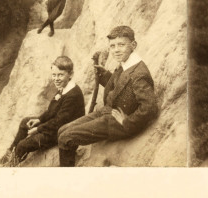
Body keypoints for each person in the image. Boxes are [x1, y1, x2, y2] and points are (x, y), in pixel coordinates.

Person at [56, 25, 159, 167]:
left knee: (65, 138)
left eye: (121, 45)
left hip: (117, 123)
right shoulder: (126, 63)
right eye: (112, 46)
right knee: (62, 130)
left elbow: (150, 107)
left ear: (133, 45)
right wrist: (105, 76)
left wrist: (127, 122)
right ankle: (70, 159)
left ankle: (68, 176)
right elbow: (121, 88)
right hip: (107, 111)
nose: (116, 50)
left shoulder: (139, 73)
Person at [0, 56, 85, 165]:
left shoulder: (73, 94)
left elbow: (59, 122)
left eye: (60, 75)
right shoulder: (63, 88)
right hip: (55, 126)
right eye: (54, 75)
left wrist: (38, 129)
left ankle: (10, 165)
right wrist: (39, 120)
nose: (56, 78)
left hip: (62, 132)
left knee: (23, 145)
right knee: (25, 122)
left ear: (70, 75)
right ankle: (8, 156)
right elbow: (51, 111)